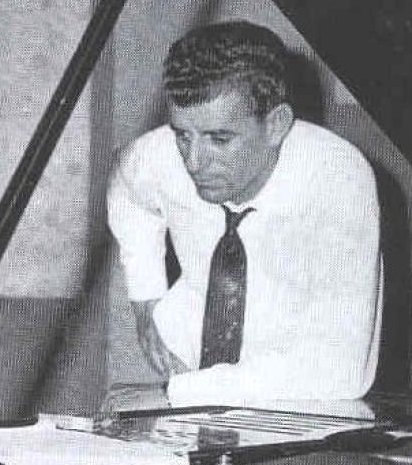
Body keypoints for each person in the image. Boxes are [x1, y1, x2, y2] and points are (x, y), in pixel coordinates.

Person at [106, 20, 381, 408]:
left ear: (275, 125)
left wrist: (175, 395)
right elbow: (126, 189)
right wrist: (145, 295)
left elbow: (336, 371)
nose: (194, 161)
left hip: (307, 401)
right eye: (183, 135)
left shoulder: (337, 179)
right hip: (193, 376)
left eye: (220, 139)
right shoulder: (156, 155)